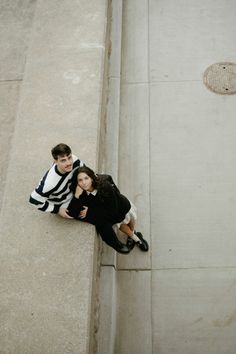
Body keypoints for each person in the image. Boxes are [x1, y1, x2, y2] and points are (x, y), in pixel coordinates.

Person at [29, 143, 130, 254]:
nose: (68, 163)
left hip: (78, 188)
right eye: (63, 160)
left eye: (69, 157)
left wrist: (95, 181)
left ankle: (118, 210)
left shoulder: (74, 160)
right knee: (101, 220)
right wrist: (57, 209)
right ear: (55, 162)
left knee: (107, 179)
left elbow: (84, 170)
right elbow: (34, 199)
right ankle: (116, 244)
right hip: (68, 202)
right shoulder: (50, 184)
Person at [67, 166, 149, 252]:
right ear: (77, 183)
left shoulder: (104, 186)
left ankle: (134, 234)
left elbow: (112, 210)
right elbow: (72, 213)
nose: (84, 182)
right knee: (122, 226)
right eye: (80, 180)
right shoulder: (80, 192)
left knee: (129, 221)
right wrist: (76, 196)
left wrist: (90, 211)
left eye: (86, 178)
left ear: (91, 177)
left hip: (121, 207)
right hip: (112, 215)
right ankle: (135, 238)